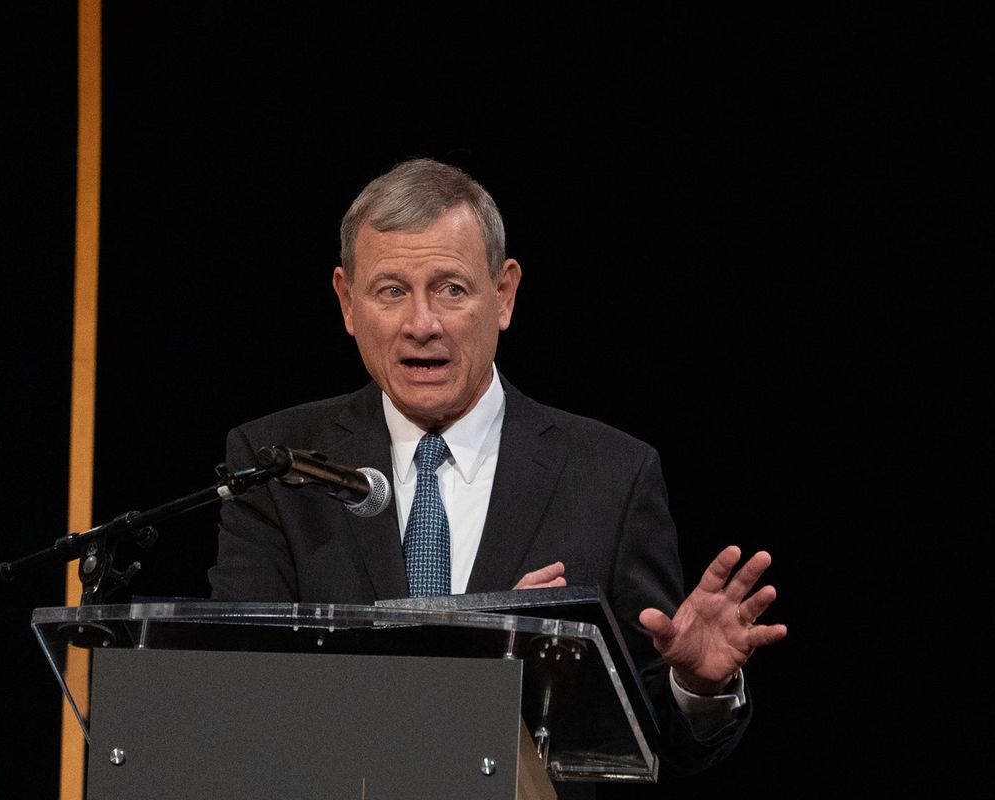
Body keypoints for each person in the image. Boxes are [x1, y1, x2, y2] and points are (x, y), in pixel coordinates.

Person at [208, 157, 787, 793]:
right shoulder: (276, 464)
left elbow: (658, 746)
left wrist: (694, 688)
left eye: (451, 289)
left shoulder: (611, 476)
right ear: (348, 302)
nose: (421, 323)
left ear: (504, 295)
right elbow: (243, 701)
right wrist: (479, 652)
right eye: (391, 290)